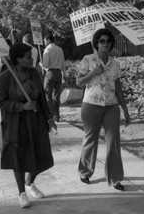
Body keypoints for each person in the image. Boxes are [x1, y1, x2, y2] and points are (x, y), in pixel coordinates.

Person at [0, 43, 54, 209]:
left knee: (41, 155)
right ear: (18, 59)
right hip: (15, 124)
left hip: (36, 121)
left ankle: (30, 182)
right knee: (18, 157)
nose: (31, 59)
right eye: (28, 57)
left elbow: (41, 96)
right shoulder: (5, 78)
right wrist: (21, 106)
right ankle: (21, 192)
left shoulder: (34, 73)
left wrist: (49, 117)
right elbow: (0, 101)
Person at [76, 28, 130, 190]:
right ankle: (85, 171)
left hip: (111, 107)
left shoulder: (115, 64)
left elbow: (118, 88)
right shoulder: (88, 60)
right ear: (96, 43)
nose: (105, 44)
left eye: (108, 41)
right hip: (91, 106)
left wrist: (125, 110)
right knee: (90, 139)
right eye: (102, 41)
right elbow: (79, 82)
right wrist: (94, 72)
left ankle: (115, 178)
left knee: (113, 141)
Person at [40, 33, 65, 122]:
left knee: (47, 94)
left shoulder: (47, 49)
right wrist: (64, 75)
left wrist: (41, 65)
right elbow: (63, 63)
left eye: (44, 40)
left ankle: (53, 115)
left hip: (50, 73)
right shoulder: (60, 49)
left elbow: (45, 64)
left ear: (48, 40)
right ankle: (57, 115)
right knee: (56, 96)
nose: (44, 42)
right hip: (59, 73)